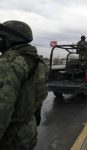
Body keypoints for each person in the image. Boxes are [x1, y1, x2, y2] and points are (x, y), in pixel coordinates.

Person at [0, 20, 48, 150]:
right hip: (28, 132)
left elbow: (2, 108)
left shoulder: (9, 63)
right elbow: (40, 95)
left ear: (10, 38)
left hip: (10, 139)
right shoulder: (39, 62)